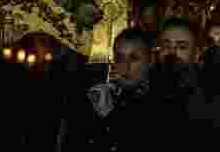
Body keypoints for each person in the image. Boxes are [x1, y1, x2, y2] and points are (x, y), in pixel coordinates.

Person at [61, 27, 201, 152]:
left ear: (150, 60)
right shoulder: (103, 95)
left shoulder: (168, 101)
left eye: (134, 58)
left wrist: (110, 116)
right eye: (120, 58)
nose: (125, 67)